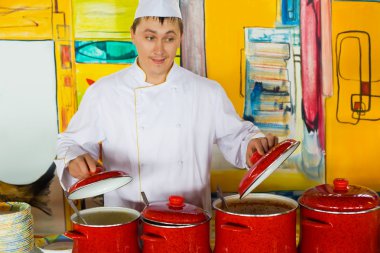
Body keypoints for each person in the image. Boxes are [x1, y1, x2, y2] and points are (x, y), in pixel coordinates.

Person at [55, 0, 278, 212]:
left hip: (190, 224)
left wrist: (253, 145)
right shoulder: (104, 92)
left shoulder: (207, 92)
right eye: (150, 37)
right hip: (129, 222)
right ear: (133, 35)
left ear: (180, 37)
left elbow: (238, 138)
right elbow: (71, 142)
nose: (159, 49)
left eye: (169, 39)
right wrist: (75, 159)